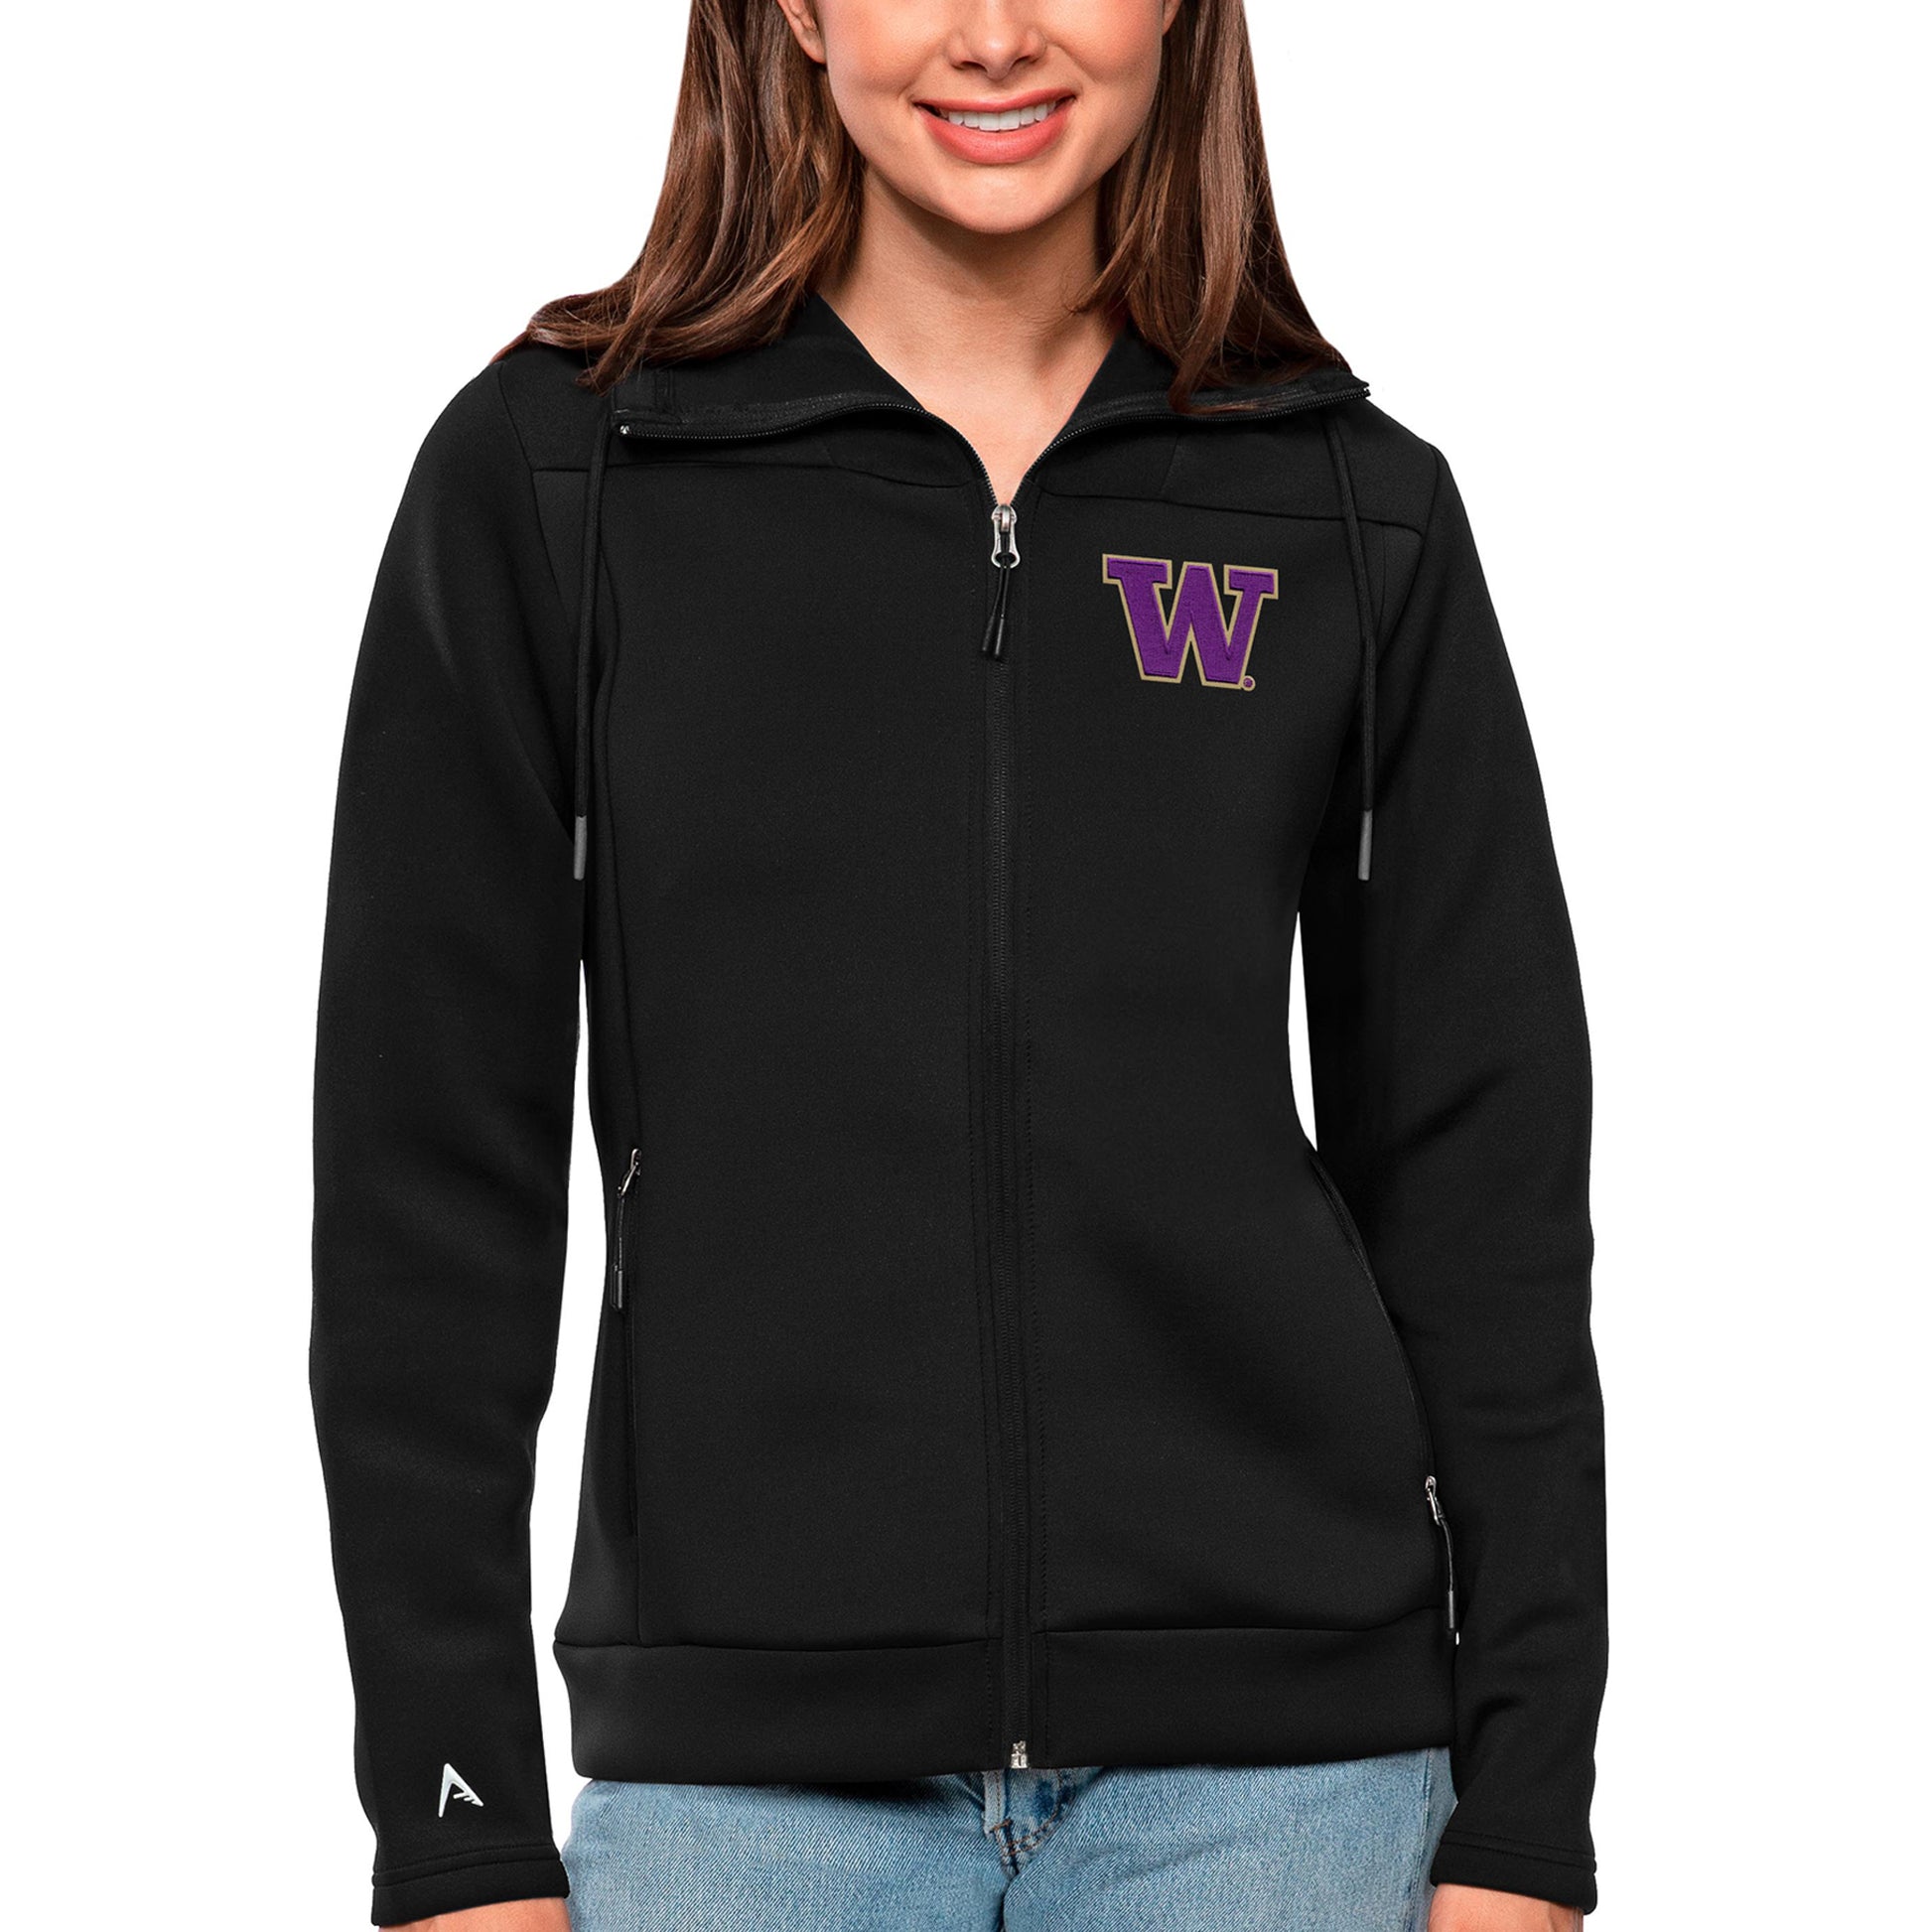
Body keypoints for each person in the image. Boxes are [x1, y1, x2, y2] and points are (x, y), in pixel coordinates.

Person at [309, 0, 1607, 1926]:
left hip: (1283, 1791)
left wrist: (1521, 1813)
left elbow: (1478, 1182)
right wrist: (456, 1828)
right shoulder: (564, 481)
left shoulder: (1338, 500)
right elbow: (428, 1195)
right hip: (742, 1796)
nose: (994, 36)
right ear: (795, 9)